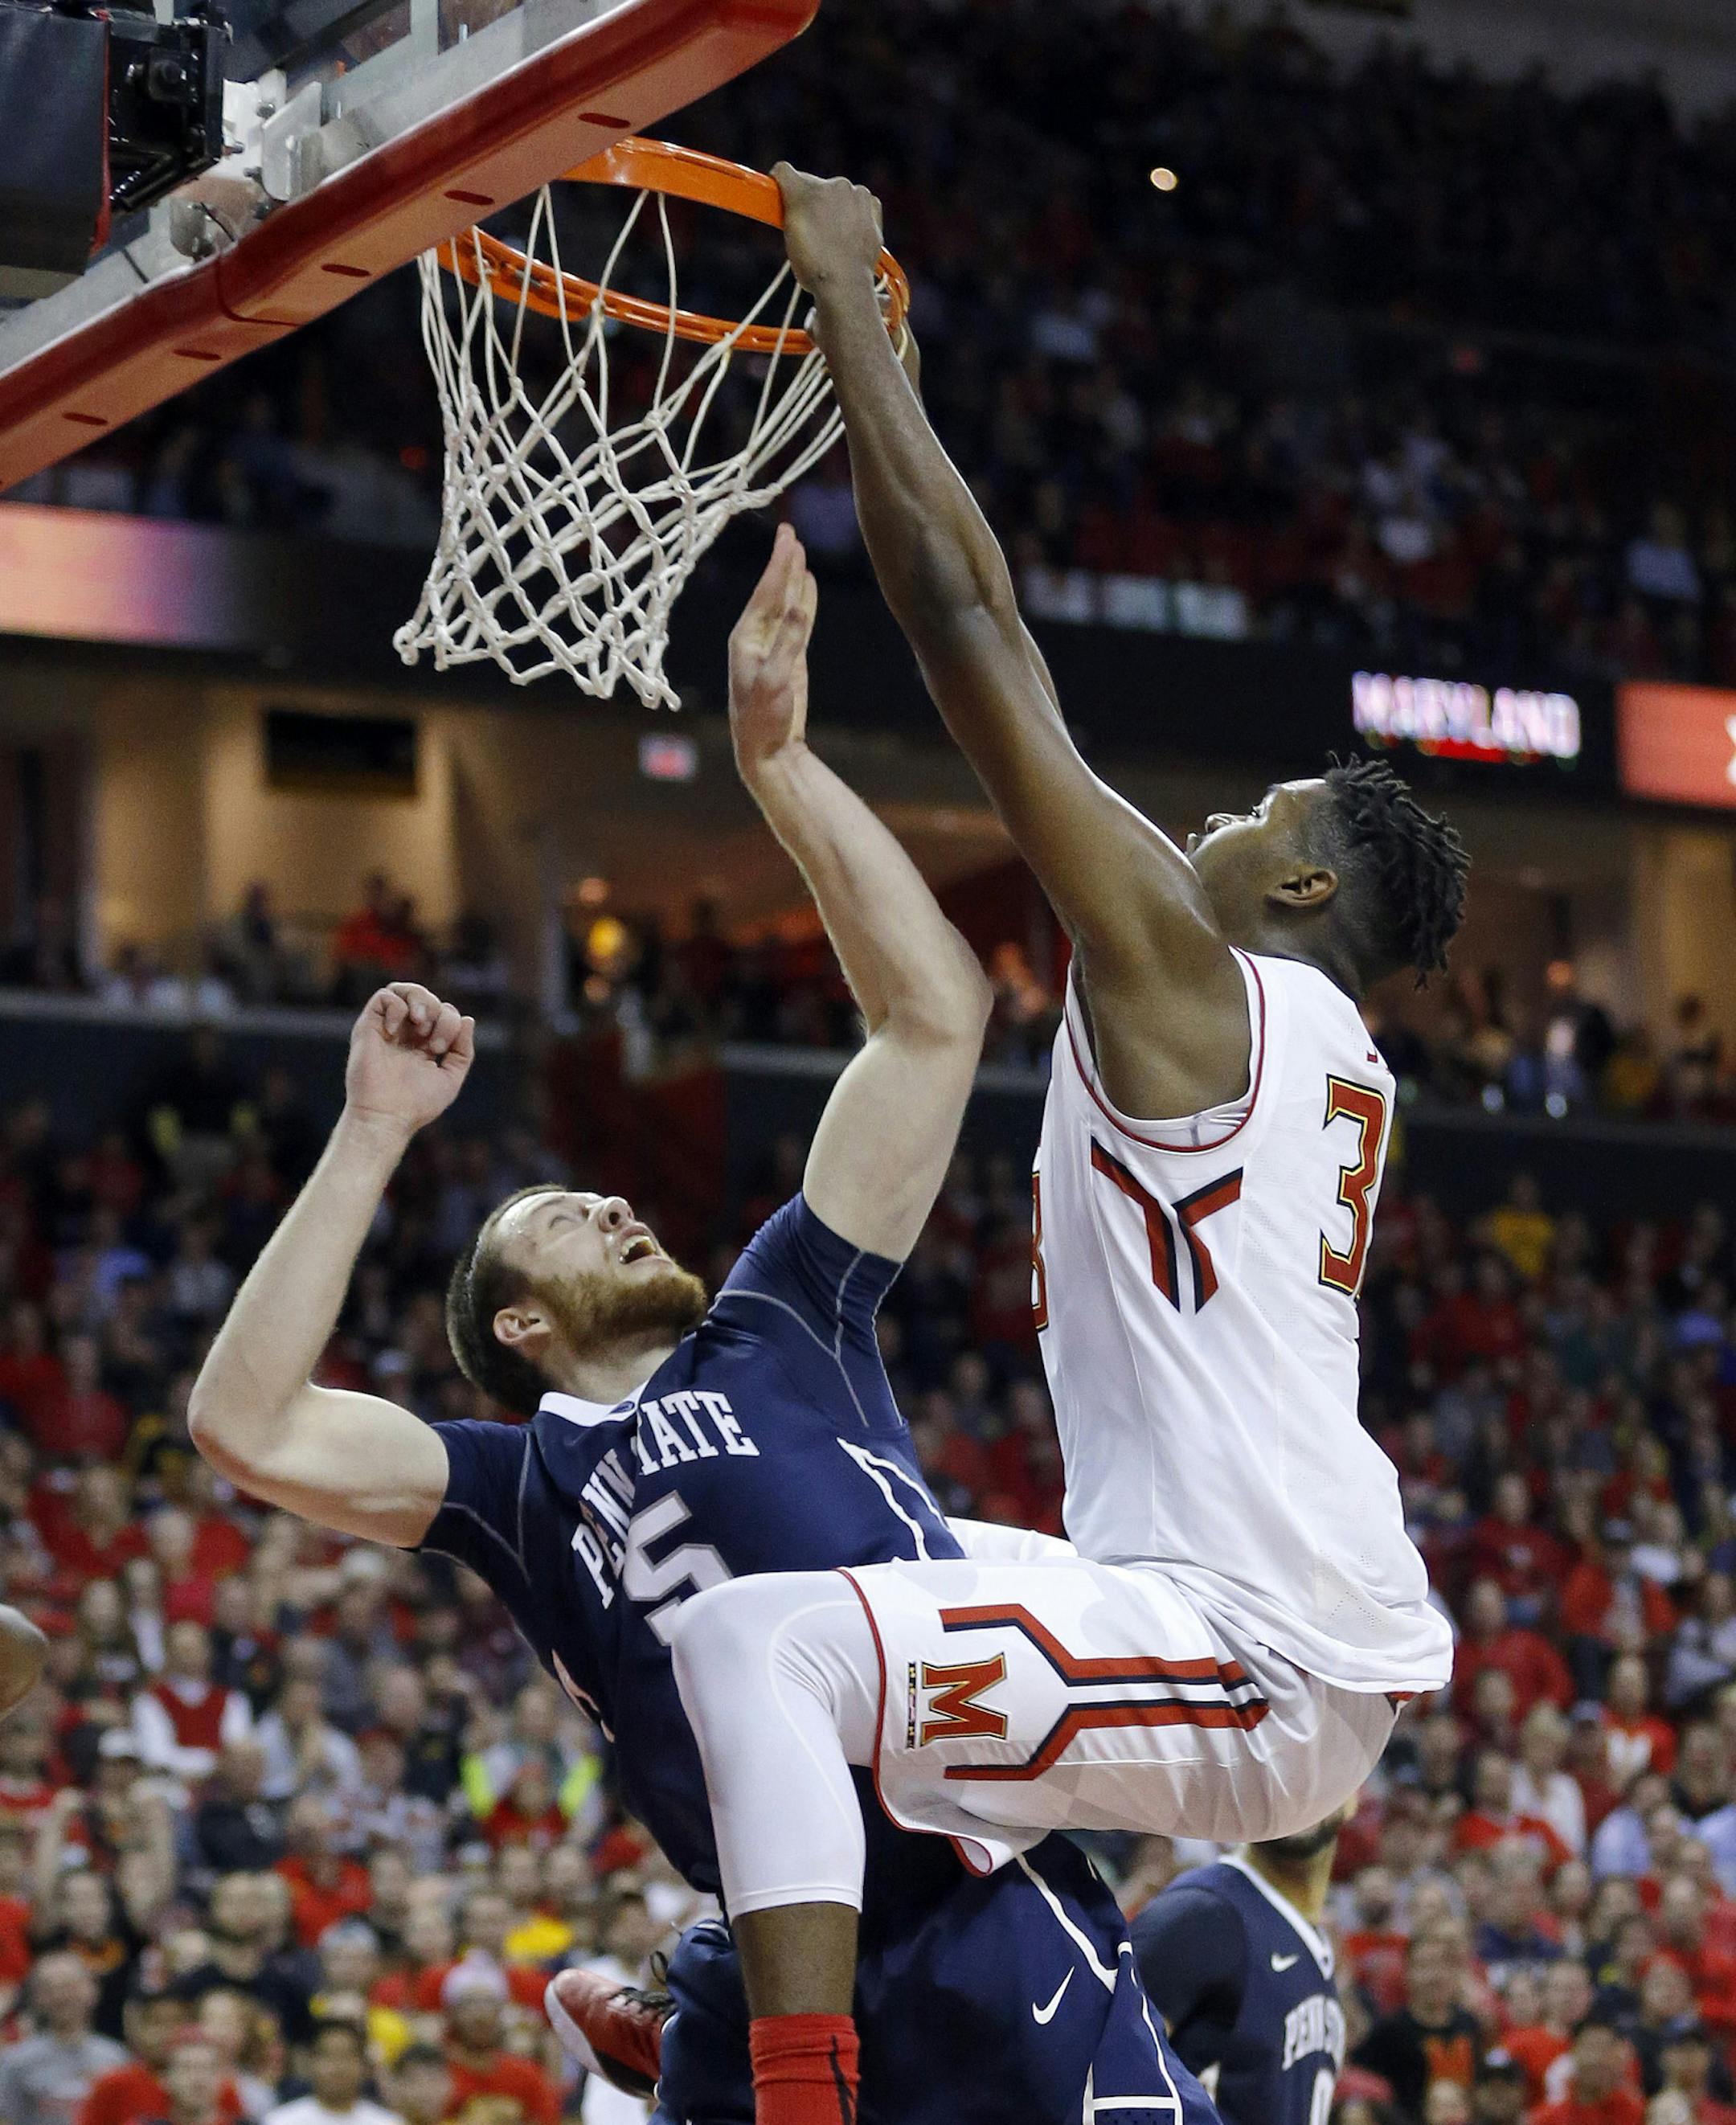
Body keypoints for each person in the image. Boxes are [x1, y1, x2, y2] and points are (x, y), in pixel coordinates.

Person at [186, 541, 1214, 2125]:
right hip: (788, 1957)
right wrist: (372, 1132)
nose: (610, 1203)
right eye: (558, 1212)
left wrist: (783, 766)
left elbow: (937, 1011)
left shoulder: (781, 1314)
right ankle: (679, 2003)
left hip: (975, 1900)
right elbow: (246, 1424)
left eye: (606, 1192)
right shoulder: (516, 1483)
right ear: (515, 1319)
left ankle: (669, 1997)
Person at [656, 166, 1468, 2123]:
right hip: (1252, 1631)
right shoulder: (1325, 1057)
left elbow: (970, 624)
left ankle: (780, 2079)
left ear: (1289, 875)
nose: (1197, 823)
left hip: (1241, 1645)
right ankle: (718, 2014)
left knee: (766, 1645)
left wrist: (856, 307)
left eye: (1247, 809)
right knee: (841, 1561)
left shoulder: (1204, 980)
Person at [1130, 1799, 1352, 2125]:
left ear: (1352, 1797)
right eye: (1286, 1762)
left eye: (1322, 1763)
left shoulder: (1315, 1941)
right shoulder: (1203, 1911)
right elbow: (1100, 2069)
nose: (1303, 1781)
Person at [0, 1954, 129, 2125]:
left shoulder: (117, 2057)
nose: (61, 1996)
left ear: (93, 1990)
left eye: (70, 1986)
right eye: (50, 1988)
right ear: (37, 1996)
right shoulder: (16, 2061)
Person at [261, 2019, 399, 2125]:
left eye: (346, 2056)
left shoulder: (388, 2122)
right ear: (311, 2062)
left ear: (364, 2066)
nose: (338, 2067)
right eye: (328, 2055)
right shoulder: (280, 2121)